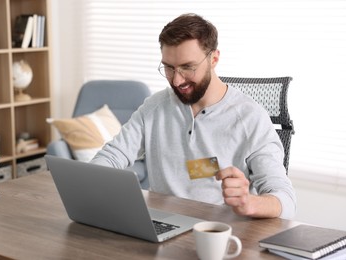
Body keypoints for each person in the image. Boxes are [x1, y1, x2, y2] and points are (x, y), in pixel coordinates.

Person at [91, 13, 296, 219]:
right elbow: (112, 156)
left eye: (188, 67)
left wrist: (249, 203)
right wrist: (88, 183)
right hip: (161, 227)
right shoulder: (155, 107)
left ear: (214, 58)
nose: (177, 80)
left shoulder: (250, 118)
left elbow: (285, 201)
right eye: (169, 68)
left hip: (218, 235)